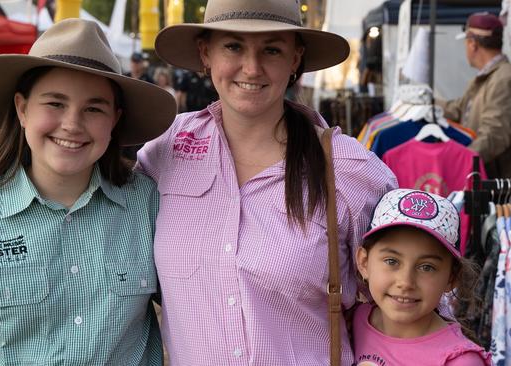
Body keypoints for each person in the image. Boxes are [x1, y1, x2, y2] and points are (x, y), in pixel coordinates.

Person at [138, 0, 397, 364]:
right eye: (233, 46)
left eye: (272, 49)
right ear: (205, 52)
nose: (252, 67)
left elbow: (418, 298)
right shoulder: (165, 153)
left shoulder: (350, 172)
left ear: (295, 59)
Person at [0, 18, 176, 365]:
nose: (72, 123)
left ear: (114, 120)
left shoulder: (151, 207)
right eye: (55, 103)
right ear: (22, 109)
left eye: (94, 108)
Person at [353, 189, 491, 365]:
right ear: (364, 263)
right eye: (391, 261)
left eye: (427, 267)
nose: (405, 282)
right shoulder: (355, 321)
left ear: (451, 277)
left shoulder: (460, 362)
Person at [438, 12, 511, 179]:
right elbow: (459, 109)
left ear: (472, 44)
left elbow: (495, 136)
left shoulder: (505, 79)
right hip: (490, 182)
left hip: (501, 191)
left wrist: (460, 163)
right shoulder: (489, 77)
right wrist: (426, 103)